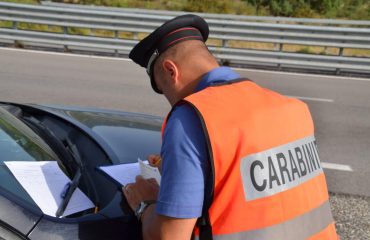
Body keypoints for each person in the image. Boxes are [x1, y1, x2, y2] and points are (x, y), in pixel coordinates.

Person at [123, 14, 338, 240]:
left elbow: (169, 237)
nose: (169, 100)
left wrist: (144, 203)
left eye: (163, 89)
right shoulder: (293, 108)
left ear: (170, 71)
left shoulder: (191, 118)